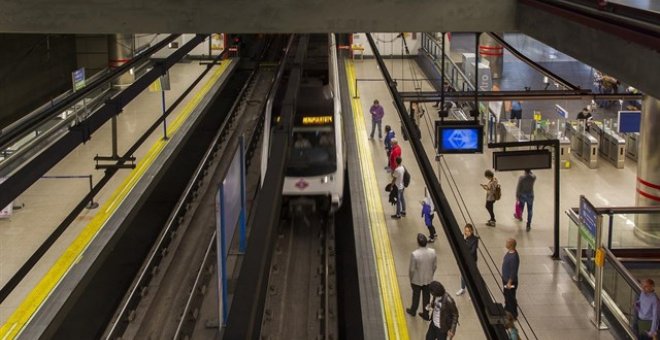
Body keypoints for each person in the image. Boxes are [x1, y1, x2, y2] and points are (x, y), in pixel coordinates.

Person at [407, 233, 437, 320]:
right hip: (428, 279)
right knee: (427, 297)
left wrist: (411, 279)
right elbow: (435, 266)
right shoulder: (432, 252)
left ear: (418, 243)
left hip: (417, 279)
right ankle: (426, 313)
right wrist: (431, 274)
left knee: (416, 296)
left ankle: (413, 310)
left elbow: (412, 270)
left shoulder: (415, 254)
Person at [456, 223, 479, 296]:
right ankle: (462, 288)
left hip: (471, 260)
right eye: (465, 231)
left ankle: (474, 292)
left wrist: (465, 250)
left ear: (471, 231)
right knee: (463, 274)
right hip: (465, 260)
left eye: (468, 231)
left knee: (472, 275)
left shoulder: (475, 239)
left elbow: (473, 250)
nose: (466, 232)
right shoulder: (464, 238)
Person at [502, 238, 520, 319]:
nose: (505, 243)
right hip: (505, 279)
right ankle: (507, 309)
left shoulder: (514, 258)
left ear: (511, 245)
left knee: (511, 297)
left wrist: (509, 282)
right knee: (506, 295)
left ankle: (513, 314)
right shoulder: (510, 252)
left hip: (510, 282)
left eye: (507, 242)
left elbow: (513, 271)